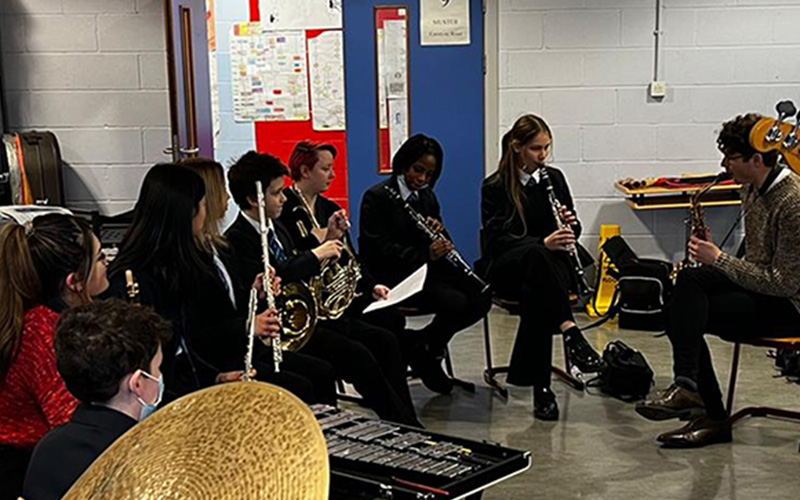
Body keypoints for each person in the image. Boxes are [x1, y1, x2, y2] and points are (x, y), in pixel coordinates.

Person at [107, 163, 335, 405]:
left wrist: (254, 295)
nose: (226, 198)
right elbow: (188, 340)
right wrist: (243, 334)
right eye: (204, 204)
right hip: (171, 394)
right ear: (187, 212)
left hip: (204, 372)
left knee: (320, 373)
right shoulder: (148, 275)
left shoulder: (191, 257)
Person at [635, 113, 800, 447]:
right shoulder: (751, 188)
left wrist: (720, 260)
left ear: (757, 159)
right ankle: (689, 387)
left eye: (731, 158)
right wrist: (717, 260)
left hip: (789, 306)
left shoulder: (793, 201)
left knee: (685, 313)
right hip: (761, 288)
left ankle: (707, 409)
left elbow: (784, 283)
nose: (725, 165)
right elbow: (756, 263)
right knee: (686, 286)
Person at [226, 151, 420, 426]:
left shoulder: (277, 228)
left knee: (384, 341)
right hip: (280, 332)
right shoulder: (237, 240)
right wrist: (317, 254)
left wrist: (329, 242)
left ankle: (405, 421)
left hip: (308, 319)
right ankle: (371, 429)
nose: (283, 198)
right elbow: (274, 278)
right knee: (352, 357)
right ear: (252, 199)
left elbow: (297, 265)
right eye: (275, 193)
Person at [480, 114, 603, 421]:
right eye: (536, 148)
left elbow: (571, 228)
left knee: (539, 286)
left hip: (545, 272)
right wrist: (543, 242)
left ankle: (542, 387)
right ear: (516, 146)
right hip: (510, 265)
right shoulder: (495, 186)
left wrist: (570, 226)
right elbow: (498, 240)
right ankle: (571, 332)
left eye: (547, 148)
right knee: (538, 258)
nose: (543, 156)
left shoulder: (555, 178)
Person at [278, 141, 429, 385]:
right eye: (325, 169)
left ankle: (390, 383)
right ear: (305, 171)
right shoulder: (285, 209)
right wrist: (326, 241)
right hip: (314, 303)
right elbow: (299, 260)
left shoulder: (330, 207)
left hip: (340, 296)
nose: (333, 174)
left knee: (392, 320)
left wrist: (371, 285)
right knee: (382, 336)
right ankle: (384, 382)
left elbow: (351, 257)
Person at [360, 134, 492, 394]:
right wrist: (424, 253)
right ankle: (426, 354)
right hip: (394, 277)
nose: (421, 179)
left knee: (481, 295)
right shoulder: (377, 197)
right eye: (417, 170)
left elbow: (441, 243)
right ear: (404, 164)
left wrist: (441, 235)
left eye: (429, 175)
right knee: (454, 302)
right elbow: (376, 250)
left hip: (427, 271)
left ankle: (425, 345)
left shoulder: (427, 197)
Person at [0, 214, 108, 500]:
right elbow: (71, 425)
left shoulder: (41, 319)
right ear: (74, 282)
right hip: (20, 474)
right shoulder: (46, 333)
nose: (107, 261)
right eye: (99, 258)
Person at [23, 300, 172, 500]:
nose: (161, 377)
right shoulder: (152, 459)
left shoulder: (48, 449)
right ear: (137, 383)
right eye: (158, 368)